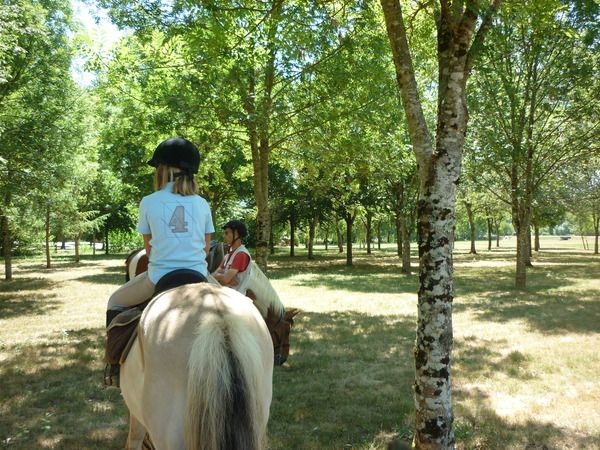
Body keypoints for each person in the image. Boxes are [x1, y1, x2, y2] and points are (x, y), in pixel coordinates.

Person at [104, 137, 214, 386]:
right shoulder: (202, 204)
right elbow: (206, 248)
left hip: (159, 278)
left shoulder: (148, 202)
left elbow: (149, 250)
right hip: (199, 276)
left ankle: (113, 365)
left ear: (163, 169)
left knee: (115, 301)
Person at [211, 220, 252, 294]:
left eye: (227, 233)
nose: (224, 236)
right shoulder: (228, 256)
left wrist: (221, 277)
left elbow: (225, 279)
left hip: (236, 299)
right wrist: (223, 277)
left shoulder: (241, 254)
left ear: (236, 233)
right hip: (226, 295)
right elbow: (213, 275)